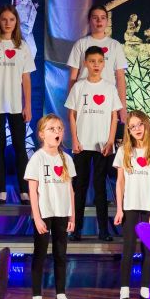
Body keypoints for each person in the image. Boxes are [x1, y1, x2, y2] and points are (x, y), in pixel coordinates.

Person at [0, 5, 36, 204]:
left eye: (12, 19)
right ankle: (1, 191)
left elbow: (26, 78)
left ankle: (24, 191)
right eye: (4, 19)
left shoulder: (22, 47)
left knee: (20, 147)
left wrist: (27, 105)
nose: (8, 23)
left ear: (16, 22)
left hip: (16, 106)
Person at [65, 46, 122, 242]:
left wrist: (111, 141)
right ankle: (76, 229)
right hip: (82, 144)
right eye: (92, 61)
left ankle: (103, 230)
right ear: (85, 64)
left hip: (102, 145)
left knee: (100, 188)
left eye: (99, 61)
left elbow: (114, 117)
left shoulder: (109, 88)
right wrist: (74, 139)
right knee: (79, 186)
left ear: (104, 63)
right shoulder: (79, 87)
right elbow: (72, 115)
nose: (96, 65)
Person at [113, 110, 150, 299]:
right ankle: (124, 291)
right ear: (128, 130)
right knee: (128, 250)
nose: (137, 129)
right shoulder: (124, 152)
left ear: (146, 125)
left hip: (149, 208)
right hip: (130, 207)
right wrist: (119, 208)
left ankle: (145, 291)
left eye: (140, 124)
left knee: (148, 251)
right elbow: (120, 182)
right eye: (132, 126)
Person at [25, 114, 77, 299]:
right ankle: (37, 297)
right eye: (52, 129)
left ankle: (61, 294)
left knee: (60, 253)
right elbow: (32, 190)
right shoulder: (37, 158)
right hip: (44, 213)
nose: (57, 132)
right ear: (41, 134)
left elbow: (70, 189)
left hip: (61, 212)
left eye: (59, 129)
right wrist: (37, 217)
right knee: (40, 254)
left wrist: (72, 215)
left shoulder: (67, 159)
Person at [66, 5, 128, 123]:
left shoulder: (115, 45)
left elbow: (120, 78)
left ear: (107, 21)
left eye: (103, 18)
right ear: (89, 20)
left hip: (107, 98)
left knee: (107, 132)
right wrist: (71, 106)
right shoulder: (81, 44)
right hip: (85, 98)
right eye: (95, 18)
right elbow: (73, 78)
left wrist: (122, 107)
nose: (99, 21)